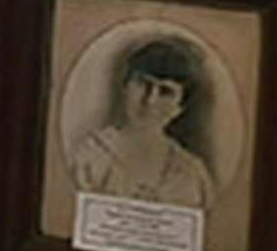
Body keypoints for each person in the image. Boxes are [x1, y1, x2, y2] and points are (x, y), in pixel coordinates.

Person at [70, 35, 218, 209]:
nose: (150, 100)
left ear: (179, 108)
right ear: (125, 86)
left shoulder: (192, 173)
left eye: (165, 92)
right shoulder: (91, 156)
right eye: (142, 84)